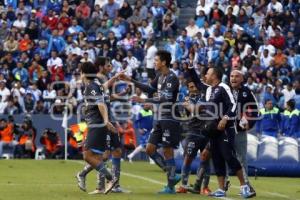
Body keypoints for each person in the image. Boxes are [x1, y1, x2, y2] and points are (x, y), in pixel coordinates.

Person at [118, 50, 182, 194]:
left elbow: (166, 98)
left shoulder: (172, 77)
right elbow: (149, 88)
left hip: (170, 117)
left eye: (156, 60)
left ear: (164, 62)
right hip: (159, 117)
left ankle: (170, 186)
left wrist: (145, 100)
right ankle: (172, 175)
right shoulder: (159, 76)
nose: (154, 62)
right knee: (149, 149)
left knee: (167, 150)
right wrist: (130, 80)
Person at [187, 66, 255, 198]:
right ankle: (221, 189)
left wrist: (225, 117)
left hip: (225, 128)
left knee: (229, 156)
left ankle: (244, 186)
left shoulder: (224, 87)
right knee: (217, 159)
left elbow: (233, 104)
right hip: (213, 130)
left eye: (208, 73)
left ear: (214, 75)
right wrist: (190, 68)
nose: (206, 75)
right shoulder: (208, 90)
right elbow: (197, 82)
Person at [78, 61, 119, 194]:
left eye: (81, 72)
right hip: (97, 124)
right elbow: (103, 89)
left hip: (97, 123)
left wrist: (106, 121)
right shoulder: (96, 85)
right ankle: (87, 177)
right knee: (97, 156)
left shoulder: (92, 86)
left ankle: (111, 179)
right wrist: (114, 78)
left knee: (87, 156)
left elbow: (101, 104)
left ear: (84, 73)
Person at [224, 70, 259, 195]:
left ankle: (246, 186)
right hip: (225, 130)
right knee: (224, 156)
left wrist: (249, 123)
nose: (233, 78)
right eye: (231, 76)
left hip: (239, 131)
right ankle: (223, 183)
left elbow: (255, 110)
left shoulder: (247, 92)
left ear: (242, 79)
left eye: (236, 76)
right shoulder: (224, 89)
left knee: (242, 159)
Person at [176, 77, 211, 195]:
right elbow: (191, 111)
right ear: (188, 88)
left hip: (207, 131)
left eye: (194, 86)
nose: (193, 89)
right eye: (190, 87)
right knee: (188, 158)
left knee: (206, 158)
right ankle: (184, 185)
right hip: (193, 131)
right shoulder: (186, 99)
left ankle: (205, 187)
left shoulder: (206, 96)